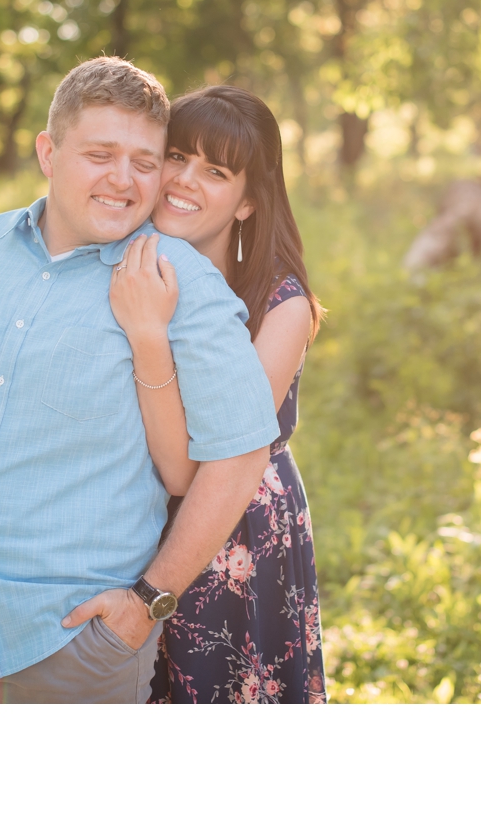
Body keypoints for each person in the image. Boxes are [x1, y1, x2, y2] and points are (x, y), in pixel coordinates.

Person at [0, 57, 277, 703]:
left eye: (145, 161)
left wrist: (149, 599)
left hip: (69, 644)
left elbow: (241, 452)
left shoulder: (181, 282)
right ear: (48, 152)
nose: (124, 179)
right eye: (100, 154)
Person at [106, 86, 329, 703]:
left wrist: (149, 336)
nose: (183, 180)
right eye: (176, 156)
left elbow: (203, 463)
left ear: (248, 202)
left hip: (234, 524)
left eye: (215, 170)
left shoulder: (282, 307)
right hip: (132, 508)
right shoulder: (121, 265)